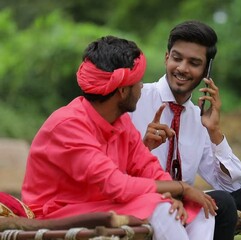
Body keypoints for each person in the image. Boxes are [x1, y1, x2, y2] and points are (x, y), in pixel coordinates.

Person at [21, 35, 217, 240]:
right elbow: (117, 186)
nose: (141, 87)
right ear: (123, 91)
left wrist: (174, 194)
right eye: (137, 82)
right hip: (57, 212)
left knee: (201, 208)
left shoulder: (120, 121)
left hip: (105, 203)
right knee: (162, 209)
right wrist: (181, 187)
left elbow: (147, 167)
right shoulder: (68, 125)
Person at [130, 21, 241, 240]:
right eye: (177, 58)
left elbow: (233, 185)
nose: (182, 68)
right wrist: (144, 147)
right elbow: (117, 171)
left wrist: (214, 132)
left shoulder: (197, 117)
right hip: (149, 197)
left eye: (194, 63)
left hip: (187, 198)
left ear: (206, 70)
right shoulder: (136, 100)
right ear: (166, 58)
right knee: (222, 202)